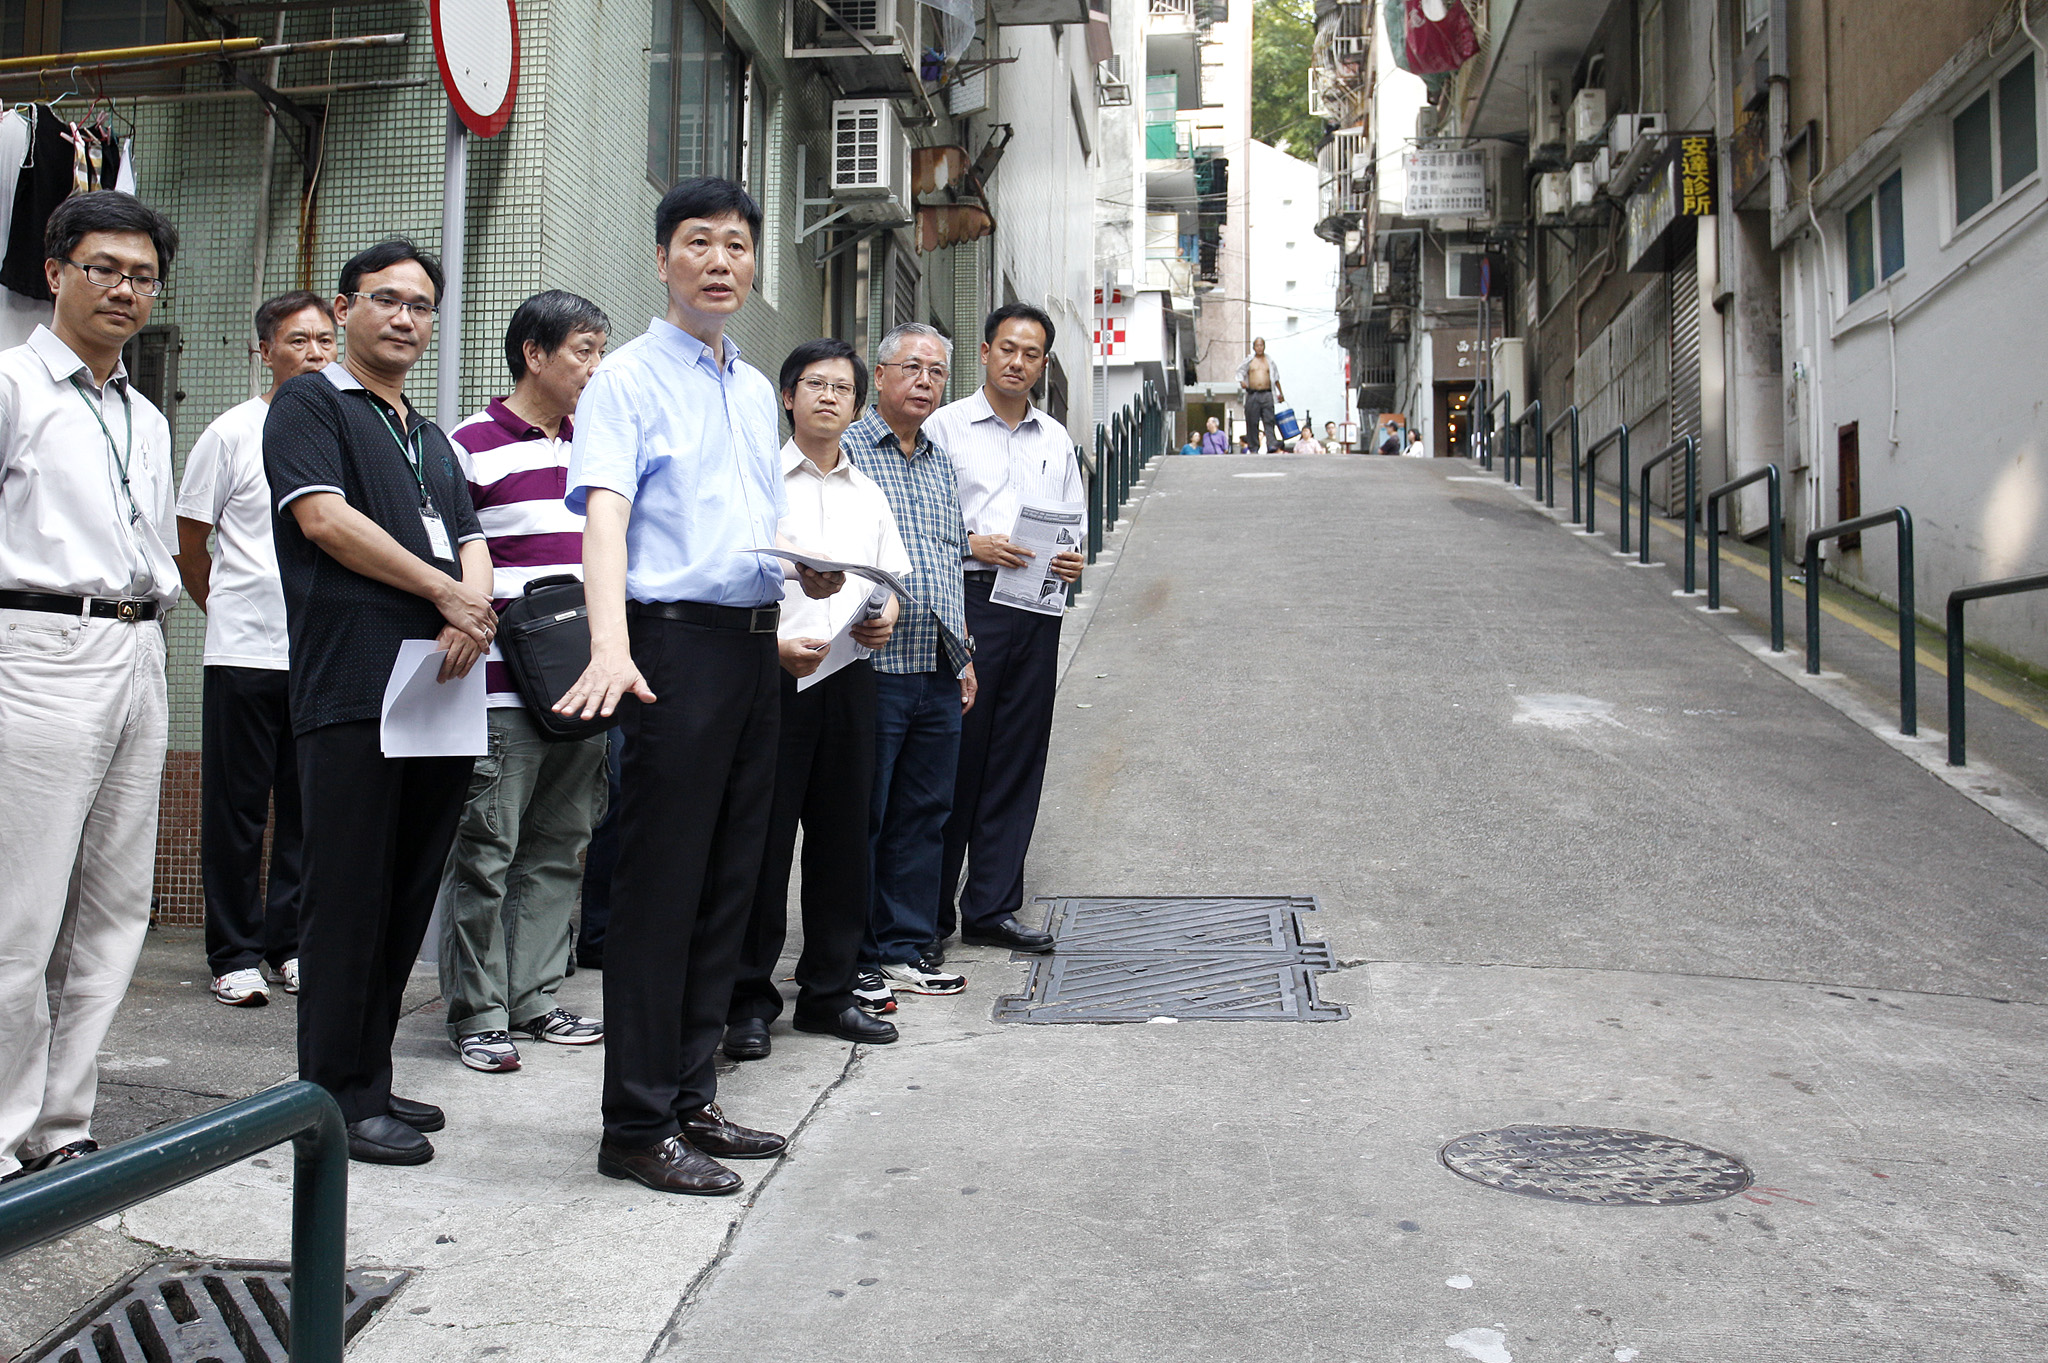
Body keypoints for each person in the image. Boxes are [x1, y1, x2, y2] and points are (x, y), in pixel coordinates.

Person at [553, 177, 841, 1196]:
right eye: (698, 242)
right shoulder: (626, 379)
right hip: (669, 648)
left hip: (754, 649)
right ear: (663, 260)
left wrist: (804, 571)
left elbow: (747, 523)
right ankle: (634, 1123)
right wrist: (609, 644)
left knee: (730, 882)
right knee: (660, 888)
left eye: (736, 244)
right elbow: (606, 517)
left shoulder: (754, 386)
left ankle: (688, 1093)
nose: (721, 260)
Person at [264, 239, 495, 1167]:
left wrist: (473, 607)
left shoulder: (430, 436)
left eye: (421, 306)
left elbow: (471, 539)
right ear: (345, 307)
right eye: (387, 299)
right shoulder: (311, 403)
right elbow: (324, 520)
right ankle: (331, 1097)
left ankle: (371, 1074)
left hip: (438, 689)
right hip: (356, 685)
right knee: (347, 897)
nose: (405, 317)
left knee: (405, 894)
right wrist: (445, 594)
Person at [0, 191, 179, 1182]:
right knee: (18, 912)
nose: (124, 289)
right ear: (55, 271)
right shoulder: (11, 386)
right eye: (104, 268)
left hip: (138, 647)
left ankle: (60, 1118)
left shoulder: (144, 416)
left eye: (143, 276)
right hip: (37, 644)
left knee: (115, 906)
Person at [436, 291, 612, 1075]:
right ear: (533, 354)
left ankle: (534, 997)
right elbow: (446, 564)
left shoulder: (598, 448)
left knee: (560, 847)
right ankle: (477, 1012)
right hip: (501, 688)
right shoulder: (467, 447)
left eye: (601, 351)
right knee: (487, 850)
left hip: (587, 687)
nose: (595, 367)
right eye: (583, 350)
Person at [723, 339, 906, 1062]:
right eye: (815, 384)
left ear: (858, 406)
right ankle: (745, 1001)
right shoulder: (758, 481)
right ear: (788, 397)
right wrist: (772, 647)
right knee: (762, 843)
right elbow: (732, 577)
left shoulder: (869, 492)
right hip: (772, 677)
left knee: (843, 839)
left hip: (849, 676)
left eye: (843, 388)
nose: (829, 396)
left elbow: (890, 577)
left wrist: (886, 615)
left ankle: (829, 994)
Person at [176, 291, 334, 1010]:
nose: (315, 353)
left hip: (319, 653)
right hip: (243, 652)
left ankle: (289, 944)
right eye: (298, 341)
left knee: (308, 809)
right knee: (238, 810)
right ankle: (233, 953)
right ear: (264, 351)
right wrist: (226, 610)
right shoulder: (231, 433)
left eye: (324, 340)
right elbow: (190, 541)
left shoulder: (342, 430)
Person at [926, 303, 1078, 959]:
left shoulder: (1056, 439)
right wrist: (973, 544)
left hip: (1036, 608)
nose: (1018, 362)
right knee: (955, 756)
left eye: (1032, 353)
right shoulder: (945, 427)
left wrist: (1070, 560)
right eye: (1008, 349)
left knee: (1017, 756)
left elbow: (1070, 522)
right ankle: (927, 917)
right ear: (985, 352)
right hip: (969, 599)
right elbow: (921, 522)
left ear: (1044, 364)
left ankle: (991, 907)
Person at [843, 323, 978, 1009]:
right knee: (862, 813)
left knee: (925, 813)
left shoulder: (938, 460)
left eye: (937, 372)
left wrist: (964, 652)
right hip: (871, 666)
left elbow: (949, 560)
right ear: (880, 374)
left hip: (937, 664)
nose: (925, 381)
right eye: (911, 367)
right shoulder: (846, 449)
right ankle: (855, 953)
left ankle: (905, 946)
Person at [1234, 337, 1285, 453]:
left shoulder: (1269, 361)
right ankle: (1253, 446)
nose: (1259, 348)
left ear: (1264, 346)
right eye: (1257, 345)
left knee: (1269, 420)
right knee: (1252, 421)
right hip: (1253, 393)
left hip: (1267, 393)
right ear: (1254, 347)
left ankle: (1271, 444)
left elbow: (1276, 378)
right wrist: (1242, 381)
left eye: (1261, 345)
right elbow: (1239, 372)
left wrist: (1280, 393)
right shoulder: (1249, 361)